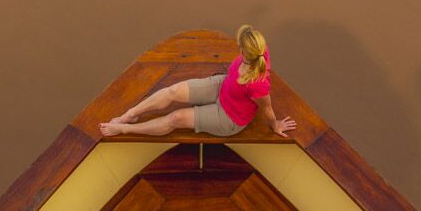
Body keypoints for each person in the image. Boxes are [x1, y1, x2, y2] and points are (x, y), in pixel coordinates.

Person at [99, 25, 297, 138]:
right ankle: (129, 115)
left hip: (229, 117)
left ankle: (124, 129)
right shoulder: (261, 50)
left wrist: (275, 125)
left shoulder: (258, 83)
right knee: (172, 92)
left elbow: (267, 108)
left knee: (175, 119)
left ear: (245, 52)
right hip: (224, 86)